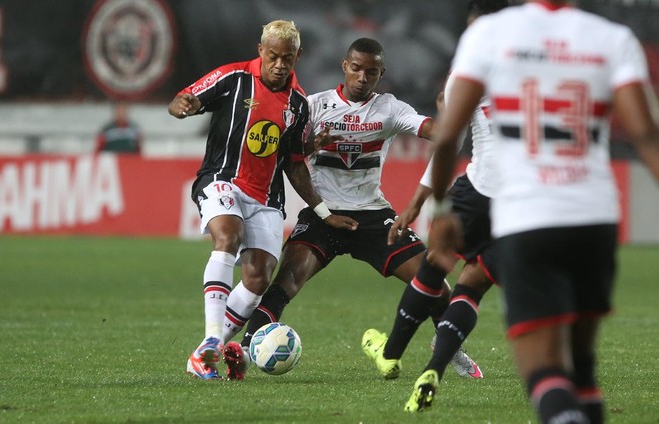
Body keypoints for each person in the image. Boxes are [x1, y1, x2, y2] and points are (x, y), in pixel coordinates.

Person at [421, 1, 659, 423]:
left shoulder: (489, 34)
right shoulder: (612, 39)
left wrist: (441, 211)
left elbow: (445, 138)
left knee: (545, 370)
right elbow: (645, 136)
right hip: (595, 217)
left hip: (527, 218)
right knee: (582, 368)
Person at [230, 37, 481, 381]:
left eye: (372, 71)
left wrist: (453, 116)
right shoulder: (313, 106)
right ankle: (244, 351)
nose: (363, 77)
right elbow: (287, 156)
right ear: (345, 66)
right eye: (357, 68)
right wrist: (307, 146)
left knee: (435, 282)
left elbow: (436, 132)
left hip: (373, 216)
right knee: (285, 282)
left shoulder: (390, 108)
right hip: (323, 215)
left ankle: (449, 348)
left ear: (381, 74)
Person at [168, 20, 358, 381]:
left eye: (288, 58)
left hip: (267, 198)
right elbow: (184, 99)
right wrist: (183, 107)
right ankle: (211, 338)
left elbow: (295, 163)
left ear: (298, 56)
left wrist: (322, 211)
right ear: (261, 51)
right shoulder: (232, 78)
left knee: (258, 279)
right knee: (228, 235)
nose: (280, 65)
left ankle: (203, 356)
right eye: (273, 56)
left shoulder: (298, 104)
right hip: (222, 180)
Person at [360, 0, 509, 411]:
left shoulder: (471, 68)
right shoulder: (539, 68)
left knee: (435, 263)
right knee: (473, 286)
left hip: (479, 189)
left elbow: (449, 141)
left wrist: (419, 203)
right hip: (524, 200)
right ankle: (437, 367)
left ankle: (390, 353)